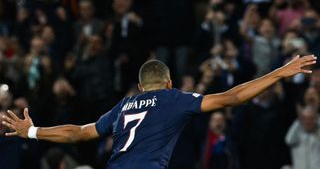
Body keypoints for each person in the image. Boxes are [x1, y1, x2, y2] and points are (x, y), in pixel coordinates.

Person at [1, 55, 317, 169]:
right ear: (168, 83)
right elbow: (231, 97)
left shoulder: (123, 106)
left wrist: (31, 131)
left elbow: (78, 133)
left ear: (140, 87)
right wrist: (278, 72)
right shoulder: (173, 99)